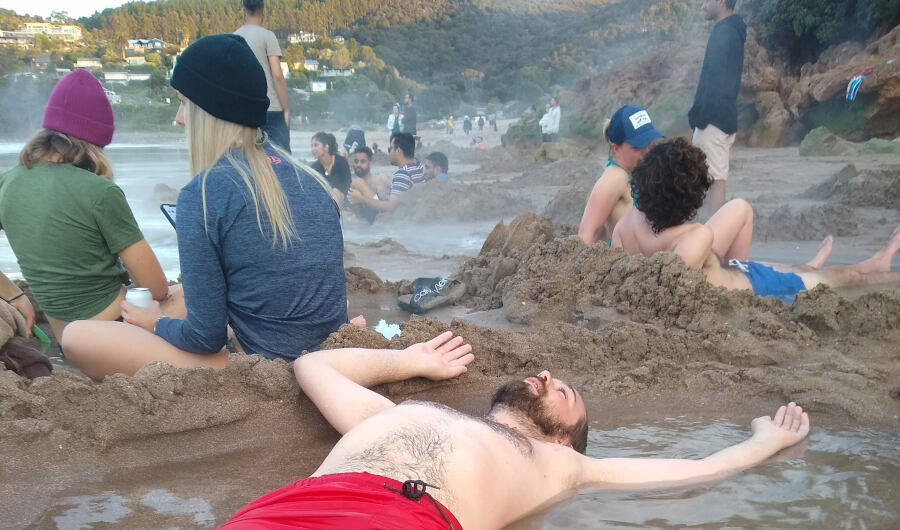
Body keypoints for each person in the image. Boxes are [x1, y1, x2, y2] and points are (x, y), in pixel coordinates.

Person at [222, 331, 811, 529]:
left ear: (564, 438)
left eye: (565, 394)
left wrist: (766, 442)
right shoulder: (387, 416)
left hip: (405, 517)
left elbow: (695, 471)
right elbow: (312, 366)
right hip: (284, 508)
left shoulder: (564, 465)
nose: (549, 375)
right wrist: (410, 359)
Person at [60, 34, 348, 379]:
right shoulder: (312, 181)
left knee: (77, 336)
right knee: (189, 293)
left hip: (271, 369)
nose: (180, 118)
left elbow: (204, 337)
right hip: (333, 357)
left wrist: (156, 323)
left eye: (184, 103)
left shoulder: (205, 193)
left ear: (210, 111)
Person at [0, 69, 173, 341]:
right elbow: (157, 288)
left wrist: (13, 293)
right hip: (115, 328)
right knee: (196, 296)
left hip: (64, 335)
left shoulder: (7, 182)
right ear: (96, 143)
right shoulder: (100, 192)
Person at [612, 138, 900, 300]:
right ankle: (884, 270)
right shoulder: (694, 236)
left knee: (797, 268)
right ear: (691, 197)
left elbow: (614, 269)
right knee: (841, 278)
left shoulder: (629, 223)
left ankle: (874, 263)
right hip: (758, 287)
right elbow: (669, 287)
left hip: (740, 271)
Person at [689, 0, 746, 215]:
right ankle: (705, 230)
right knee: (704, 177)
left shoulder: (725, 34)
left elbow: (716, 81)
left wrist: (701, 116)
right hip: (716, 117)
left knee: (715, 180)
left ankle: (714, 238)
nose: (701, 4)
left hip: (713, 119)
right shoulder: (730, 31)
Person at [578, 105, 663, 246]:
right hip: (621, 263)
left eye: (648, 143)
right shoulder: (614, 178)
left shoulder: (635, 172)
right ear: (615, 148)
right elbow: (586, 232)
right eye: (637, 147)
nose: (646, 151)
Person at [234, 0, 292, 153]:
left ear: (243, 12)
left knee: (248, 158)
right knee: (281, 158)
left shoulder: (233, 37)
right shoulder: (268, 36)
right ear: (264, 13)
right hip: (270, 108)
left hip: (243, 111)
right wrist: (286, 108)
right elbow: (277, 75)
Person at [347, 132, 424, 215]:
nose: (389, 153)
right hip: (410, 209)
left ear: (398, 151)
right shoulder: (418, 166)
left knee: (358, 183)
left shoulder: (403, 173)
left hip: (395, 216)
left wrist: (362, 199)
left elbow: (391, 207)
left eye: (390, 149)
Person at [347, 146, 391, 224]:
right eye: (356, 161)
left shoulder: (381, 179)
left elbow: (398, 196)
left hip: (382, 218)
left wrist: (361, 198)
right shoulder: (353, 186)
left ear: (370, 164)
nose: (358, 165)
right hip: (368, 225)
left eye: (363, 161)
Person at [310, 132, 352, 204]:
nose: (313, 149)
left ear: (326, 147)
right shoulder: (314, 168)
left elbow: (348, 182)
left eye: (316, 145)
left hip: (344, 198)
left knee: (335, 192)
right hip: (324, 200)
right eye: (312, 146)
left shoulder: (341, 161)